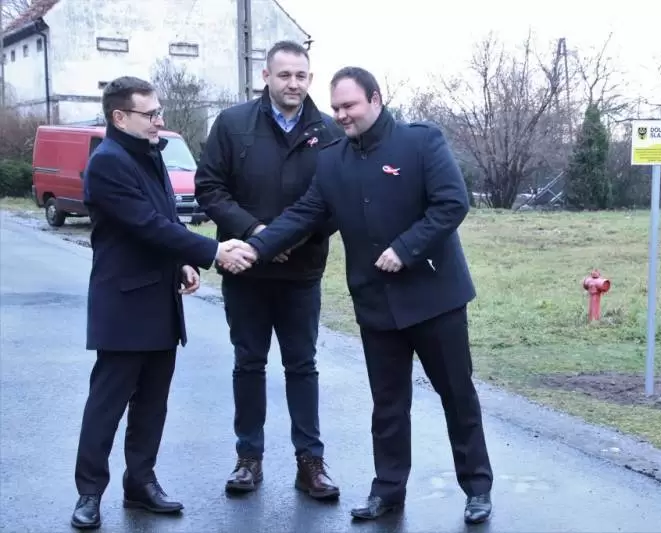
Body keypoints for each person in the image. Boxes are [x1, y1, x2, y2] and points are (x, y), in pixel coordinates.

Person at [235, 66, 494, 525]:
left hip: (435, 298)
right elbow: (304, 215)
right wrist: (255, 247)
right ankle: (387, 491)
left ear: (375, 99)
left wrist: (406, 249)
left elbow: (452, 202)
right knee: (388, 405)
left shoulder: (420, 142)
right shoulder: (332, 160)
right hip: (376, 303)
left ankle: (477, 488)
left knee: (457, 396)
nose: (341, 115)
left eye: (349, 105)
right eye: (335, 107)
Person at [71, 76, 255, 530]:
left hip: (160, 301)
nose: (160, 119)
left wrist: (182, 263)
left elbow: (165, 220)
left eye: (159, 111)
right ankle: (89, 492)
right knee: (107, 405)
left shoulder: (149, 153)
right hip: (123, 306)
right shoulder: (108, 163)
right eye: (150, 113)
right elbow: (146, 225)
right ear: (120, 117)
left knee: (153, 403)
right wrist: (212, 251)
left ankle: (141, 483)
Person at [194, 40, 343, 499]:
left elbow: (338, 200)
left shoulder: (329, 131)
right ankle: (248, 459)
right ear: (266, 76)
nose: (293, 84)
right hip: (246, 269)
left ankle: (310, 463)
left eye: (301, 76)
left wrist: (290, 240)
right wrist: (258, 235)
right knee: (248, 363)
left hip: (302, 270)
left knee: (302, 366)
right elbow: (209, 188)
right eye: (284, 75)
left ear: (310, 78)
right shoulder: (232, 123)